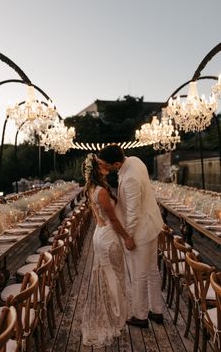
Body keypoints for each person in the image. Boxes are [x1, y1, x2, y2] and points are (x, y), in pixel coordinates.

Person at [98, 144, 164, 328]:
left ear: (117, 163)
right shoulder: (134, 160)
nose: (104, 167)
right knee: (152, 270)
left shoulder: (130, 179)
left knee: (139, 273)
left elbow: (133, 213)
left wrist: (129, 237)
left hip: (142, 230)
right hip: (152, 224)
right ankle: (157, 311)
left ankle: (141, 316)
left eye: (106, 164)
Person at [81, 153, 135, 348]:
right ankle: (116, 318)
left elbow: (99, 217)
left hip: (100, 233)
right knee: (114, 277)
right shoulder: (102, 191)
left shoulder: (91, 188)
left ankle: (114, 315)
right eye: (101, 164)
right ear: (96, 169)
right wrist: (127, 237)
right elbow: (113, 219)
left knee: (109, 276)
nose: (105, 165)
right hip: (108, 237)